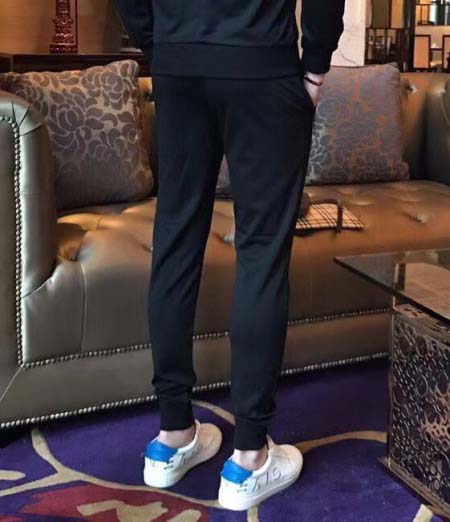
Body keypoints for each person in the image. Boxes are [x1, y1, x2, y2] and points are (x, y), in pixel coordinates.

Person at [114, 0, 345, 511]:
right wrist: (315, 65)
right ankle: (249, 459)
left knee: (174, 240)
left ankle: (172, 437)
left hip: (179, 64)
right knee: (262, 251)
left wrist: (162, 45)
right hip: (262, 64)